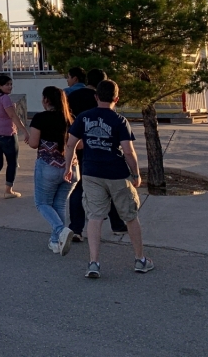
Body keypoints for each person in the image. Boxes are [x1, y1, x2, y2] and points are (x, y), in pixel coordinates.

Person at [63, 79, 153, 278]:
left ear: (96, 97)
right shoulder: (119, 120)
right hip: (117, 173)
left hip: (91, 172)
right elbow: (128, 151)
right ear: (116, 99)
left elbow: (70, 144)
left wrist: (68, 167)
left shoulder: (84, 118)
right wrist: (136, 174)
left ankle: (93, 262)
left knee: (95, 217)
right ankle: (140, 259)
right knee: (130, 216)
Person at [66, 68, 127, 240]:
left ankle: (76, 228)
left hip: (78, 145)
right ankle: (117, 224)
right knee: (111, 185)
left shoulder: (73, 97)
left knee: (79, 187)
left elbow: (68, 120)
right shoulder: (101, 101)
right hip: (102, 147)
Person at [27, 86, 77, 255]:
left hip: (48, 166)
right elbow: (81, 144)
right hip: (71, 168)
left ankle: (60, 230)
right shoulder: (71, 120)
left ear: (46, 100)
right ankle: (56, 242)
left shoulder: (40, 118)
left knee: (42, 203)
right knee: (59, 204)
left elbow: (34, 143)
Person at [0, 74, 28, 200]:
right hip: (6, 134)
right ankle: (8, 190)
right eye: (7, 84)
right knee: (12, 162)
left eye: (11, 84)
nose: (10, 87)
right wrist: (24, 131)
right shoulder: (5, 98)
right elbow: (13, 116)